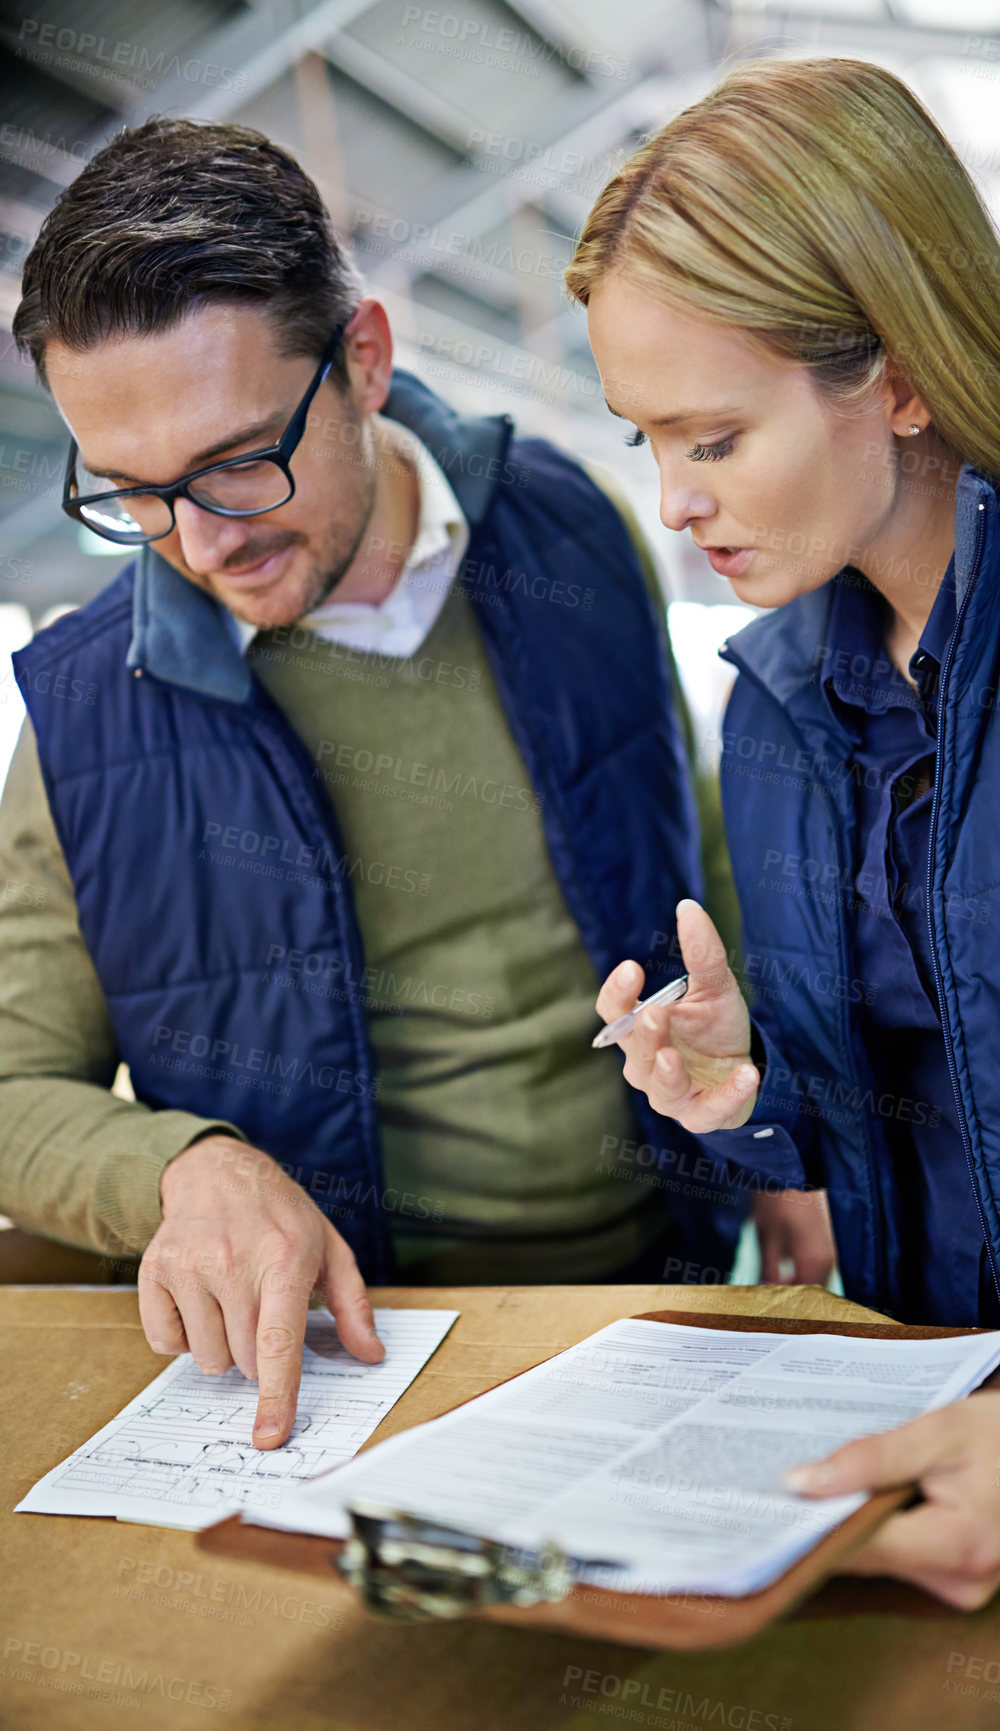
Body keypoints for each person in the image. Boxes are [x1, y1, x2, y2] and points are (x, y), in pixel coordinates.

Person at [0, 117, 748, 1450]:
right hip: (347, 1372)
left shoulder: (572, 522)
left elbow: (693, 838)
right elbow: (11, 1090)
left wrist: (788, 1126)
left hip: (667, 1295)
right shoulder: (80, 715)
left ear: (364, 359)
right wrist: (178, 1166)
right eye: (133, 493)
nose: (200, 540)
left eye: (238, 461)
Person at [570, 56, 1000, 1608]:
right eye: (648, 444)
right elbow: (924, 1119)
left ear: (897, 377)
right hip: (929, 1462)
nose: (678, 505)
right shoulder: (776, 703)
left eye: (713, 436)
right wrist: (751, 1099)